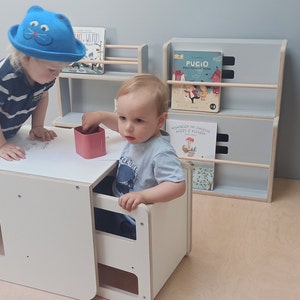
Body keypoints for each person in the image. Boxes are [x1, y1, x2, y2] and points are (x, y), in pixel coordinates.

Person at [82, 73, 186, 239]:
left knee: (84, 220)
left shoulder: (160, 151)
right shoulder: (138, 134)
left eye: (138, 120)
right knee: (85, 192)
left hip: (132, 218)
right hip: (119, 197)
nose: (127, 128)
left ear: (160, 121)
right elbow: (118, 124)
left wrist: (142, 196)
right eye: (123, 117)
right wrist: (100, 115)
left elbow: (177, 185)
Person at [0, 5, 85, 161]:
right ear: (27, 58)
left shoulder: (42, 77)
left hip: (9, 134)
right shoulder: (4, 77)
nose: (57, 74)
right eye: (52, 69)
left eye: (61, 69)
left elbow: (42, 96)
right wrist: (2, 145)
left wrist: (37, 126)